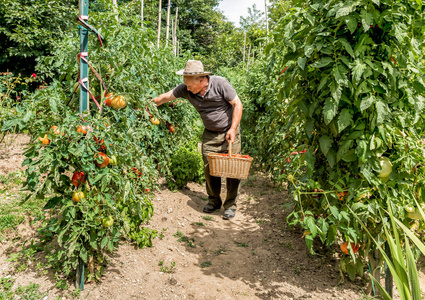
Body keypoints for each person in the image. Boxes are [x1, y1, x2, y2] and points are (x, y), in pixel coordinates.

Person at [153, 60, 243, 220]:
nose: (187, 89)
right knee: (209, 168)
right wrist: (147, 104)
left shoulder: (220, 84)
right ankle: (214, 201)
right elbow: (166, 97)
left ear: (201, 80)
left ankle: (230, 205)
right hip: (210, 133)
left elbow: (237, 104)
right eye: (185, 86)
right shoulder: (186, 89)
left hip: (230, 131)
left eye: (189, 86)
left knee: (232, 171)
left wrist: (233, 129)